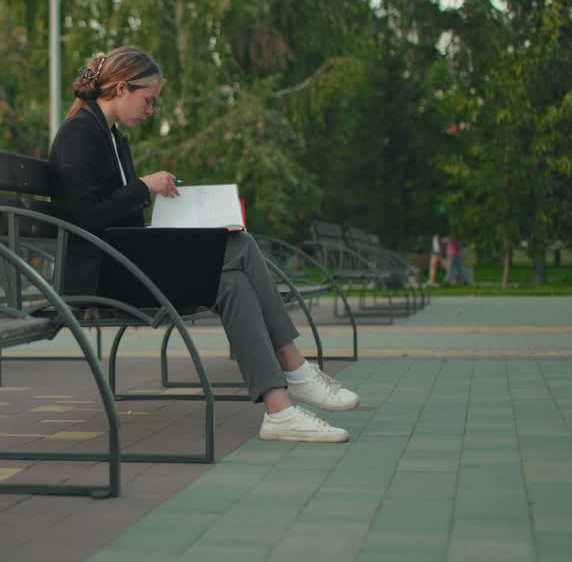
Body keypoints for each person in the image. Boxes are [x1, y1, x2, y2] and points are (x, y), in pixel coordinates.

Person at [47, 46, 359, 443]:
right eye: (149, 100)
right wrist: (143, 187)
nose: (151, 110)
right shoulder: (79, 134)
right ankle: (295, 368)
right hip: (96, 279)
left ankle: (280, 412)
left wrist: (165, 222)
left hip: (121, 264)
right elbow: (80, 218)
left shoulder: (110, 138)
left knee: (233, 282)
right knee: (240, 245)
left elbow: (116, 217)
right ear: (122, 87)